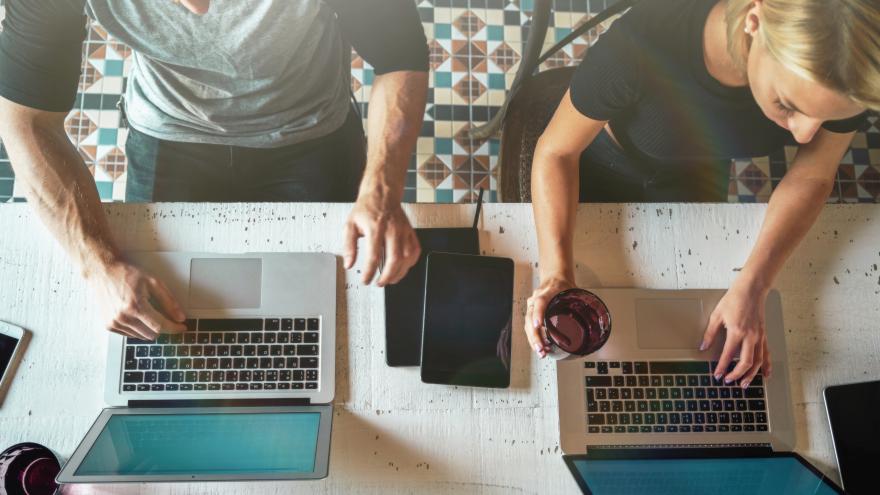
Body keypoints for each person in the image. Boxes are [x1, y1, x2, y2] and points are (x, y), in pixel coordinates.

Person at [0, 0, 429, 341]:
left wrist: (382, 191)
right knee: (162, 322)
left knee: (335, 308)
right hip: (168, 136)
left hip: (311, 131)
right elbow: (27, 122)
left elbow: (400, 58)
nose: (199, 7)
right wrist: (98, 266)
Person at [525, 0, 878, 387]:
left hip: (699, 174)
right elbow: (557, 151)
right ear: (754, 21)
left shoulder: (849, 62)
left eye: (826, 118)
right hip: (604, 159)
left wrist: (754, 286)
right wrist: (557, 274)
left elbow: (813, 175)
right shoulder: (646, 40)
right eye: (788, 105)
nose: (804, 135)